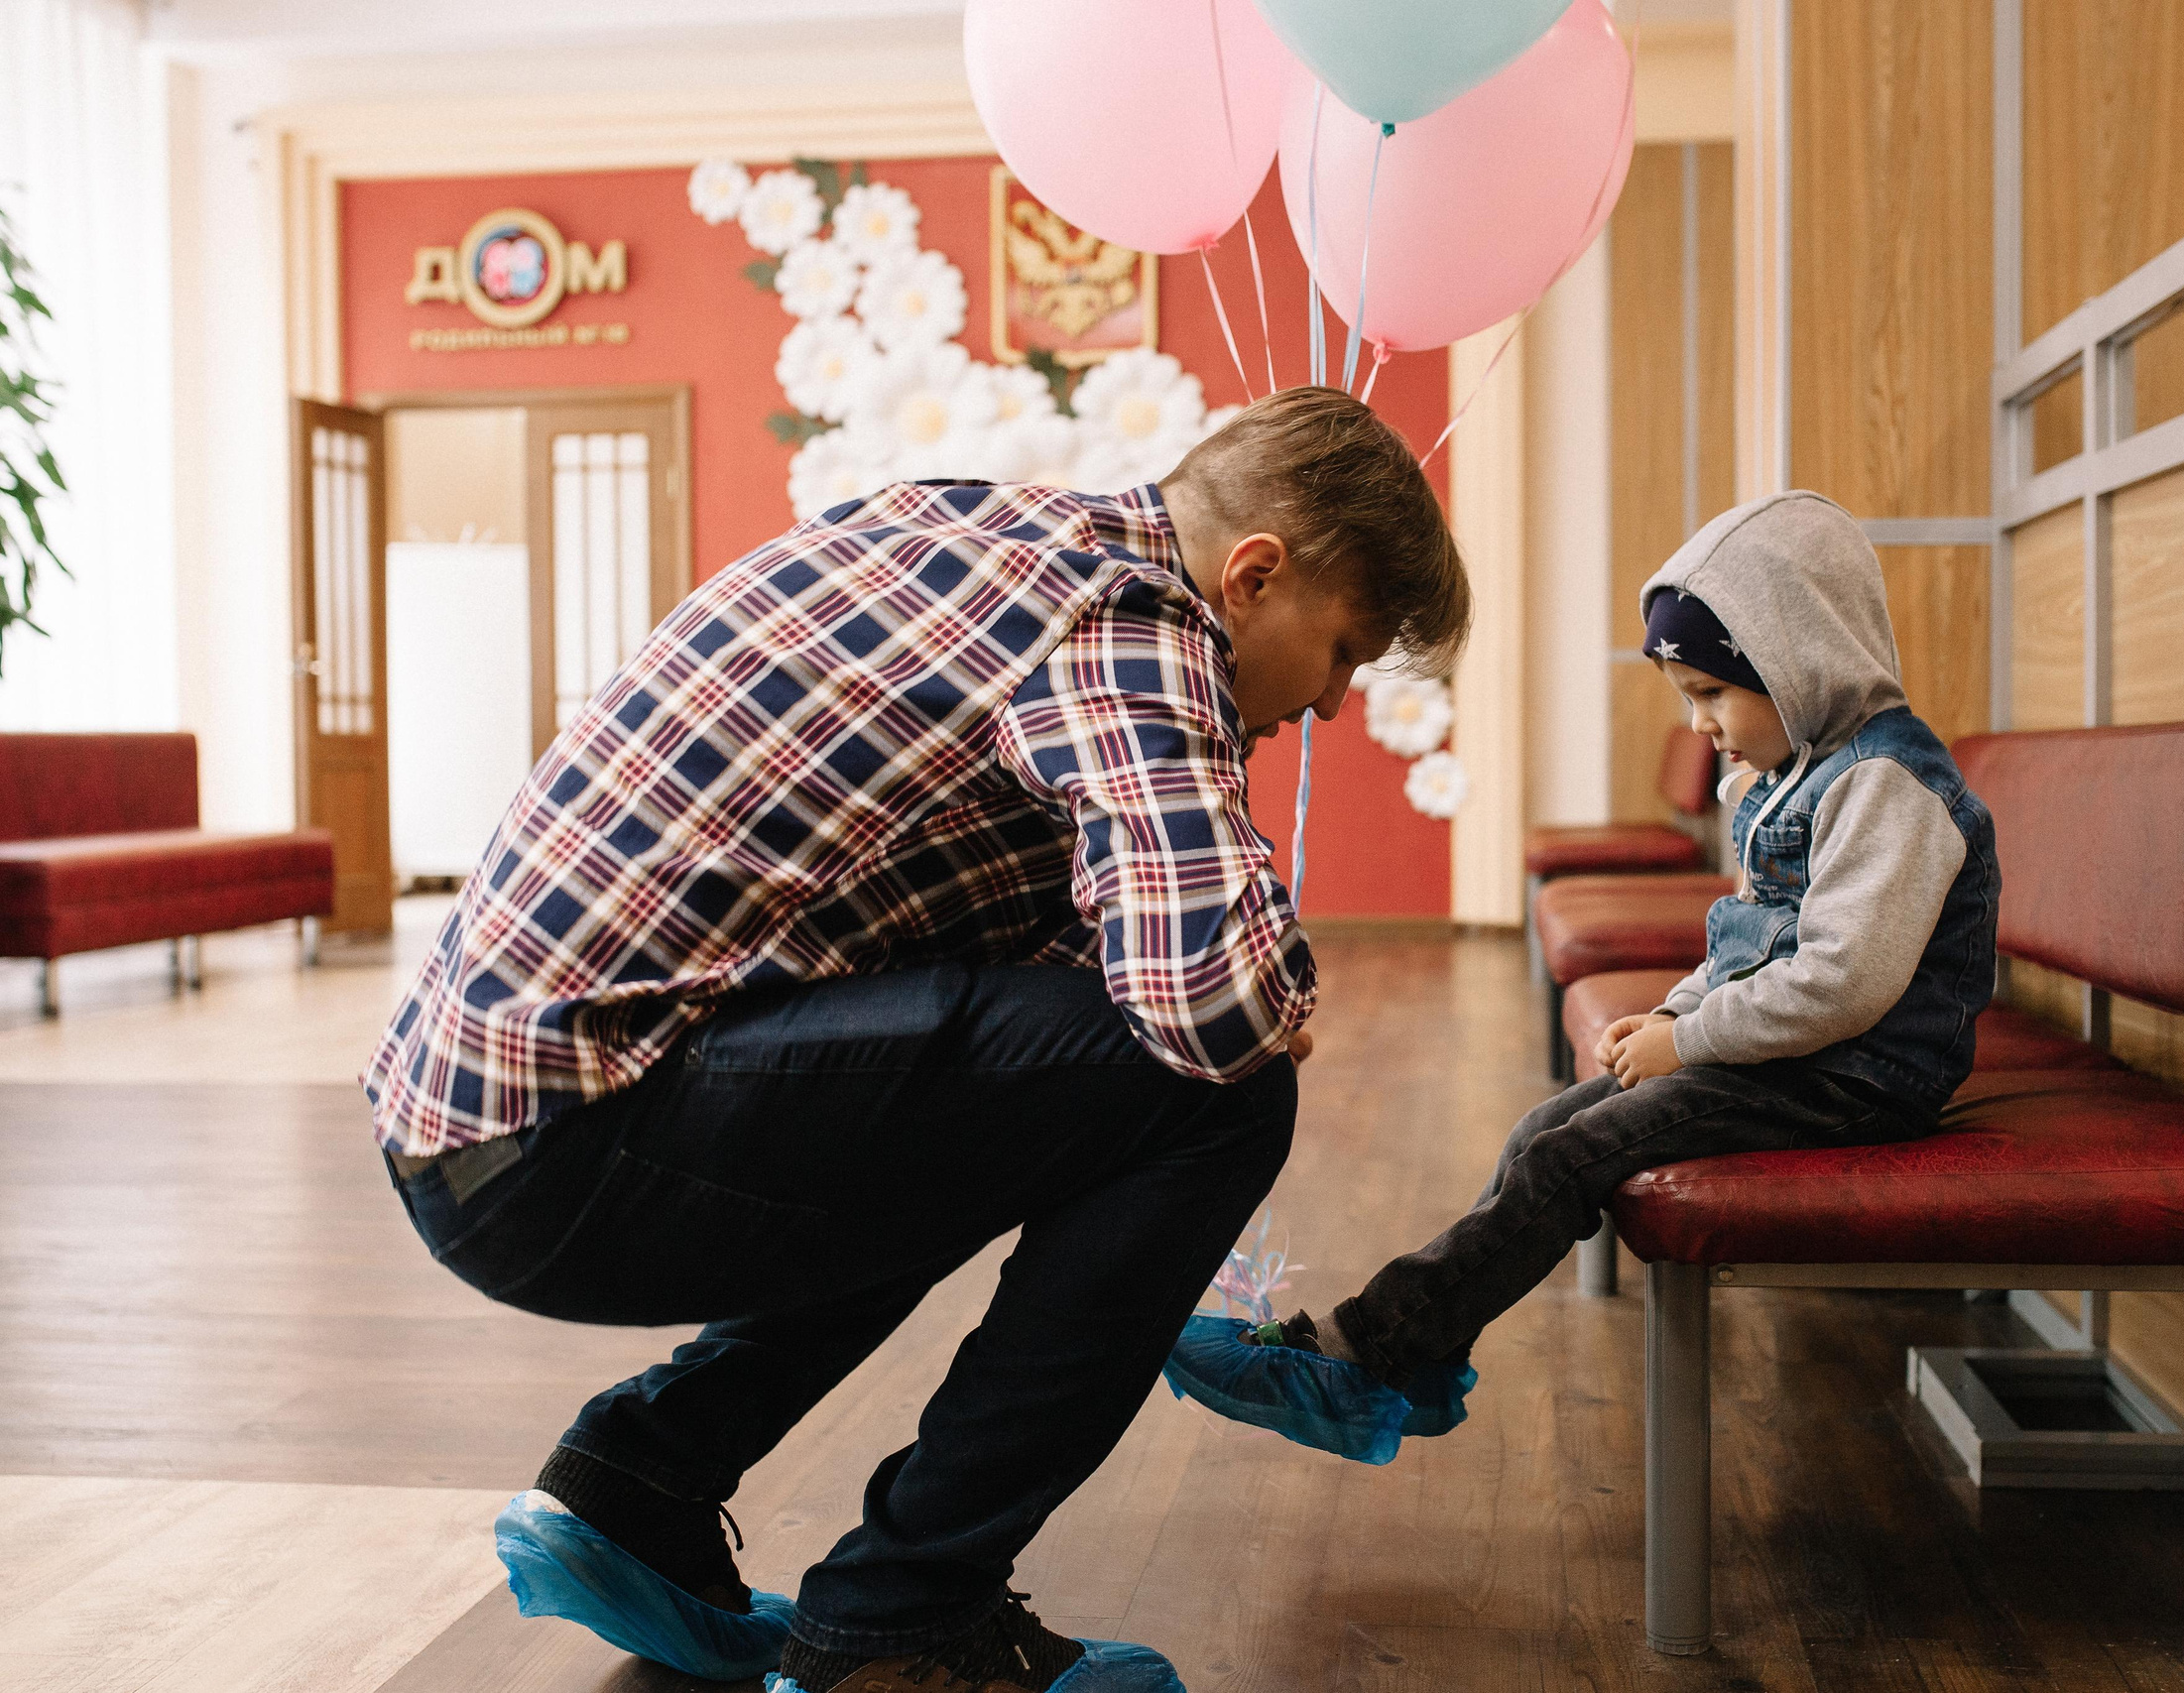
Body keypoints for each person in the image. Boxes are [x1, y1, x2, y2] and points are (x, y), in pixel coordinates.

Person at [363, 386, 1470, 1693]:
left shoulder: (978, 529)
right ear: (1256, 574)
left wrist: (1198, 1293)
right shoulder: (1125, 625)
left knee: (1014, 1107)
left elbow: (1061, 1015)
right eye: (1342, 651)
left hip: (487, 1119)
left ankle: (638, 1483)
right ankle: (903, 1614)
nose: (1335, 703)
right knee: (1222, 1100)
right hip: (566, 1139)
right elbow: (1214, 1010)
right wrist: (1273, 968)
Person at [1183, 489, 1999, 1446]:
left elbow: (1843, 982)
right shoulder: (1797, 773)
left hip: (1860, 1078)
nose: (1700, 725)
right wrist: (1673, 1012)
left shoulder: (1887, 786)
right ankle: (1418, 1343)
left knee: (1570, 1155)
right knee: (1546, 1127)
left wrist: (1688, 1039)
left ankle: (1365, 1350)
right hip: (1806, 1058)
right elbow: (1755, 937)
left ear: (1797, 658)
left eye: (1712, 693)